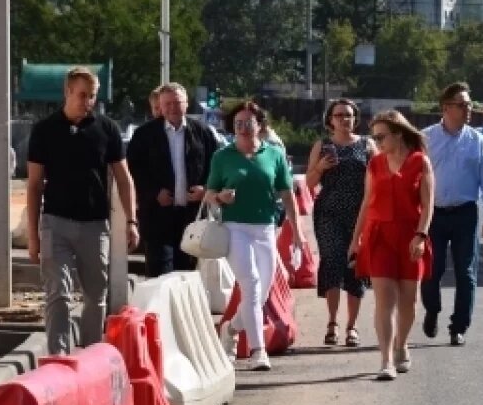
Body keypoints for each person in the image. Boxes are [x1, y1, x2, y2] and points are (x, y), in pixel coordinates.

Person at [25, 66, 138, 355]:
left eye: (93, 97)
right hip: (56, 223)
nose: (88, 102)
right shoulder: (44, 130)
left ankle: (90, 354)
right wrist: (33, 235)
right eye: (83, 95)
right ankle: (58, 357)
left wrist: (132, 220)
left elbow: (124, 179)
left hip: (94, 225)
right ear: (67, 92)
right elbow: (35, 185)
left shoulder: (107, 129)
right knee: (58, 295)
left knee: (95, 294)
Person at [207, 102, 307, 371]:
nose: (242, 128)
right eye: (237, 123)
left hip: (265, 229)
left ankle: (229, 329)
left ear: (260, 125)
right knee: (250, 284)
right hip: (234, 227)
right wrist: (219, 197)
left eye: (248, 122)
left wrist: (297, 233)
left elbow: (287, 196)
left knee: (260, 294)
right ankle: (257, 350)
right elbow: (209, 193)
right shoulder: (223, 157)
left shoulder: (273, 155)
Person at [350, 110, 434, 380]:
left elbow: (428, 204)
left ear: (398, 134)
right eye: (374, 137)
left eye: (381, 136)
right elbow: (366, 203)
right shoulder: (374, 164)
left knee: (409, 301)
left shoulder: (420, 162)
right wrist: (355, 239)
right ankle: (385, 360)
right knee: (384, 299)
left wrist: (421, 235)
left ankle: (401, 344)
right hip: (379, 236)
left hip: (410, 236)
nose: (377, 141)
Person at [420, 82, 483, 347]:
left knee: (466, 272)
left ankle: (459, 326)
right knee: (432, 269)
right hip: (434, 214)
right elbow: (414, 178)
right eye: (462, 105)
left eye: (470, 105)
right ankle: (432, 310)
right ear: (446, 108)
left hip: (465, 213)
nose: (468, 110)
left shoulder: (477, 141)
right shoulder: (426, 139)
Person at [126, 82, 223, 277]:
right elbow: (134, 171)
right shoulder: (144, 135)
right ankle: (160, 309)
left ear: (186, 104)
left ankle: (182, 308)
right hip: (157, 217)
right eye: (167, 104)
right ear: (160, 106)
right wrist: (153, 193)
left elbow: (217, 167)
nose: (172, 108)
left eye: (177, 103)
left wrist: (205, 190)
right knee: (160, 272)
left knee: (187, 274)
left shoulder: (202, 132)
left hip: (191, 217)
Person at [305, 98, 375, 348]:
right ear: (330, 120)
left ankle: (352, 326)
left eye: (348, 115)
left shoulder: (367, 145)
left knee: (355, 266)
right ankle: (332, 322)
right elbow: (309, 184)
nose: (344, 119)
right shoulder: (322, 145)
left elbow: (379, 178)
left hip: (360, 214)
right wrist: (321, 167)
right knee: (332, 261)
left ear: (355, 119)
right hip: (328, 214)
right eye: (339, 115)